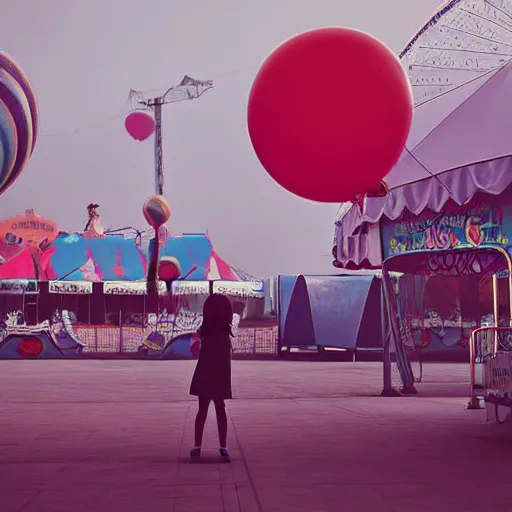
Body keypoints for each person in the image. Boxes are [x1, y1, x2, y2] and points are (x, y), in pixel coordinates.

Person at [189, 293, 233, 458]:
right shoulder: (224, 335)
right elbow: (225, 361)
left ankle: (197, 446)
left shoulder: (204, 331)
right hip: (219, 375)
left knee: (202, 411)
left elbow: (197, 352)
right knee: (220, 410)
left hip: (205, 374)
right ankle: (223, 446)